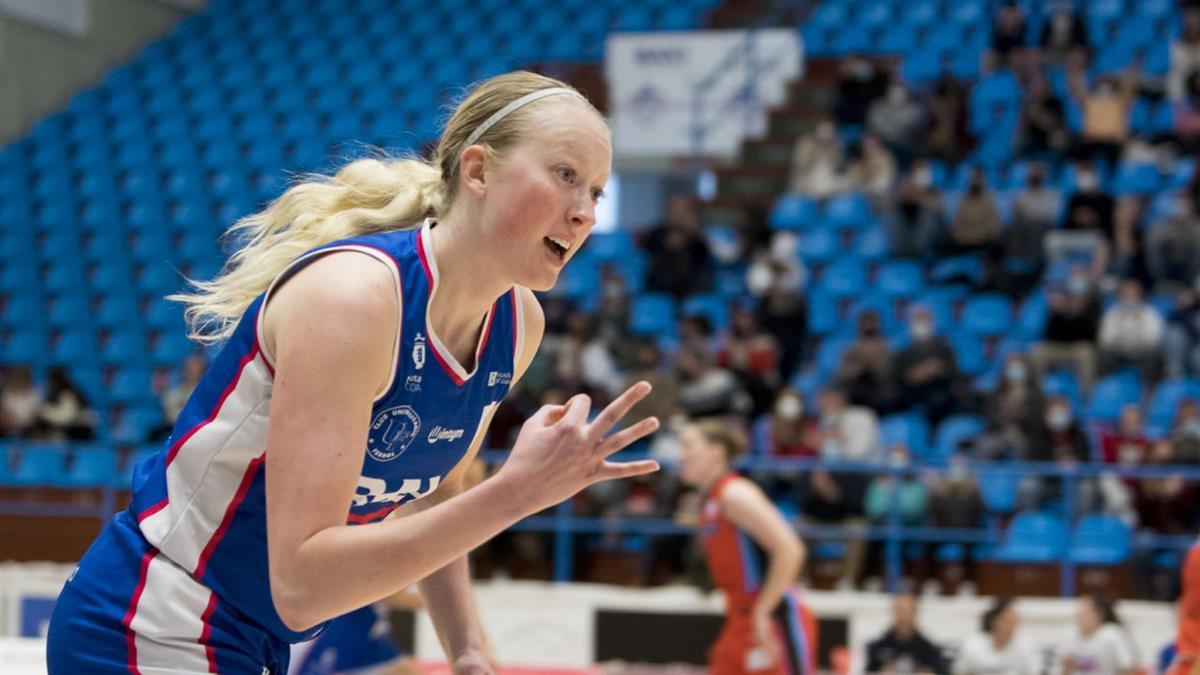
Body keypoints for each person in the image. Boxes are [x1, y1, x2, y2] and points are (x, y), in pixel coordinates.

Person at [46, 72, 663, 674]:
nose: (583, 212)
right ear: (476, 170)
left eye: (597, 192)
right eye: (565, 176)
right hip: (150, 621)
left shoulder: (517, 323)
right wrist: (515, 494)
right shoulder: (353, 297)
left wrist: (468, 650)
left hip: (247, 639)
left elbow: (434, 495)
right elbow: (301, 583)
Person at [678, 420, 818, 675]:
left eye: (688, 446)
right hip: (739, 618)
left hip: (773, 618)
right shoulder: (709, 501)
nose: (681, 455)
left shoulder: (735, 493)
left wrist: (763, 612)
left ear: (716, 451)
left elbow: (790, 549)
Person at [865, 592, 950, 674]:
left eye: (908, 611)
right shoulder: (876, 648)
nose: (904, 617)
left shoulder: (929, 650)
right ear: (894, 613)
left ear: (915, 614)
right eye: (900, 611)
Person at [953, 597, 1039, 675]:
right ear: (994, 621)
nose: (1011, 627)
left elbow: (1033, 671)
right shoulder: (972, 645)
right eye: (1007, 621)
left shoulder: (1026, 645)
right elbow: (961, 671)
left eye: (1014, 621)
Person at [1061, 595, 1139, 675]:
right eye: (1078, 615)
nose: (1079, 618)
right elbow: (1064, 667)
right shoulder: (1072, 635)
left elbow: (1128, 666)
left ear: (1098, 614)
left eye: (1083, 614)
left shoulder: (1112, 634)